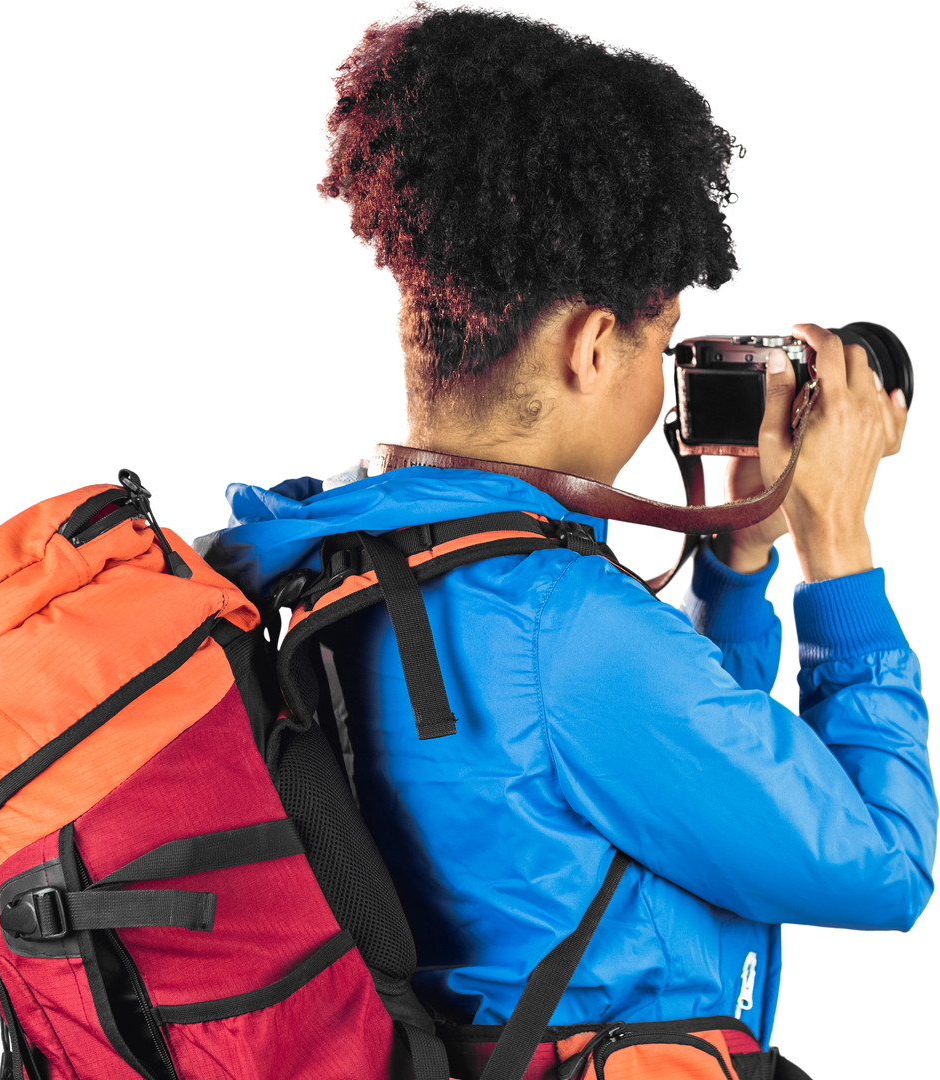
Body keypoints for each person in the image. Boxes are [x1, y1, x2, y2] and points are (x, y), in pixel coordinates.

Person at [237, 2, 930, 1076]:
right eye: (663, 339)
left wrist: (737, 564)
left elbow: (673, 769)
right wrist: (837, 549)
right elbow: (883, 868)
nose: (665, 388)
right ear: (593, 347)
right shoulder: (565, 632)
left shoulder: (285, 550)